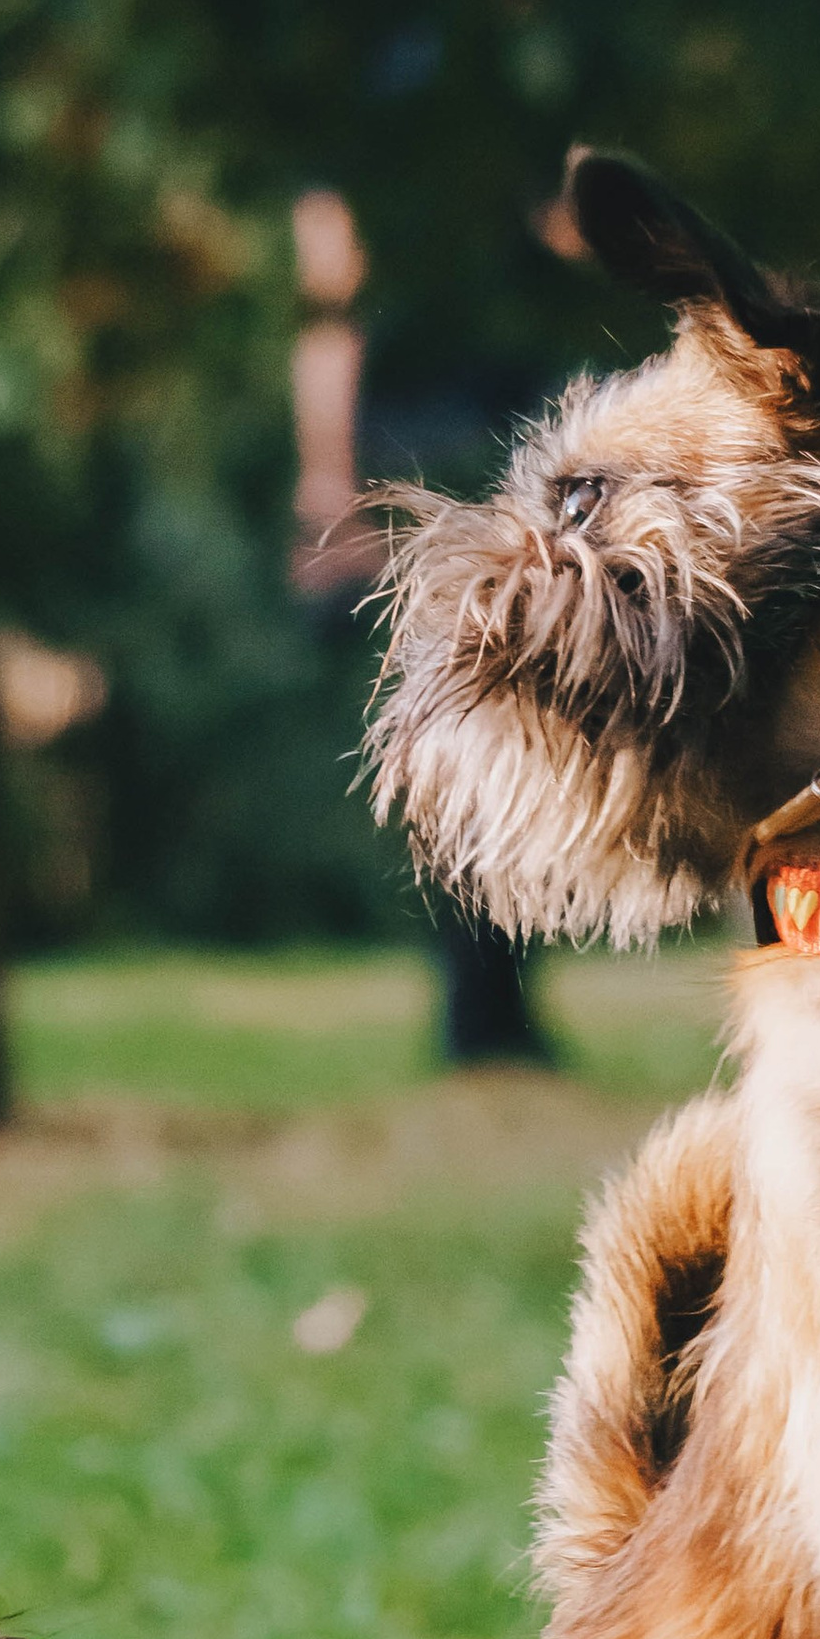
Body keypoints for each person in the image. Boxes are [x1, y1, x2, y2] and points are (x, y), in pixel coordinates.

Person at [288, 189, 552, 1067]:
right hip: (437, 451)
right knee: (467, 737)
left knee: (508, 737)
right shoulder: (375, 159)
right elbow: (330, 310)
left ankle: (494, 1007)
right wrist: (330, 488)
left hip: (498, 431)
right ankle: (481, 1013)